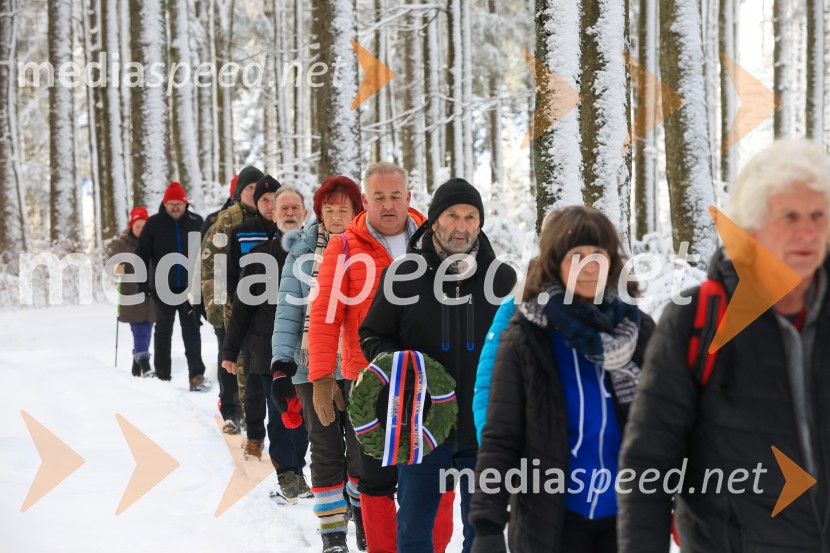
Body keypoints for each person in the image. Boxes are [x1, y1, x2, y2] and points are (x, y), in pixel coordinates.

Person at [618, 140, 830, 553]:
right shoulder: (697, 321)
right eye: (789, 217)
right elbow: (648, 464)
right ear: (753, 228)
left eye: (818, 215)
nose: (807, 232)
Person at [468, 205, 655, 553]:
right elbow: (502, 435)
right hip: (552, 521)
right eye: (576, 256)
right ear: (555, 263)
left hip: (629, 520)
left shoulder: (639, 331)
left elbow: (669, 425)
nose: (589, 267)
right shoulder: (525, 336)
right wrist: (488, 523)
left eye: (598, 255)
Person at [359, 178, 517, 553]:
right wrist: (406, 366)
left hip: (484, 429)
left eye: (470, 217)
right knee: (415, 534)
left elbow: (518, 349)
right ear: (434, 221)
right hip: (422, 431)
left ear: (479, 223)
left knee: (485, 535)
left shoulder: (503, 278)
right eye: (452, 216)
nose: (461, 226)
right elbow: (371, 335)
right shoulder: (403, 274)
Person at [308, 162, 455, 553]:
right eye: (379, 197)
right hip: (370, 383)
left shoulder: (435, 242)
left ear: (408, 197)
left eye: (395, 197)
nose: (388, 206)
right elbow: (326, 313)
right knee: (375, 481)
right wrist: (322, 377)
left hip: (430, 383)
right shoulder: (343, 246)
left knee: (433, 478)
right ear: (366, 200)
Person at [271, 176, 367, 552]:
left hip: (359, 365)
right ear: (319, 212)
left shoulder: (368, 249)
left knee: (362, 447)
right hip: (310, 366)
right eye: (329, 209)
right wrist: (281, 364)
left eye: (343, 208)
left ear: (357, 210)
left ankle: (363, 520)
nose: (335, 215)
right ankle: (333, 535)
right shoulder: (302, 251)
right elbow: (287, 311)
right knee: (324, 447)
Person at [222, 176, 311, 504]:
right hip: (265, 347)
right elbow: (241, 309)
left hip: (306, 349)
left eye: (294, 207)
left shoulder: (320, 253)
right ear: (273, 214)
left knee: (301, 416)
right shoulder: (259, 255)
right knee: (278, 413)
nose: (288, 212)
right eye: (282, 207)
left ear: (305, 213)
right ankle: (286, 472)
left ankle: (298, 468)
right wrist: (230, 350)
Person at [201, 165, 264, 432]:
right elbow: (210, 264)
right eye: (248, 188)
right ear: (239, 193)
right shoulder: (226, 220)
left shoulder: (271, 216)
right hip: (230, 304)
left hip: (262, 307)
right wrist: (213, 305)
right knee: (230, 357)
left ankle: (254, 414)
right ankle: (231, 410)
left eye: (257, 187)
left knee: (254, 361)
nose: (254, 192)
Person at [135, 181, 207, 390]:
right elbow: (142, 254)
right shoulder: (154, 224)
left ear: (185, 204)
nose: (175, 208)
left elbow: (206, 255)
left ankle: (197, 376)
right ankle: (162, 377)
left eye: (179, 203)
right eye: (171, 204)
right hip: (163, 289)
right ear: (164, 204)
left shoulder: (196, 222)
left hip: (189, 290)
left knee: (192, 332)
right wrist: (143, 284)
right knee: (163, 333)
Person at [109, 207, 156, 377]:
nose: (140, 229)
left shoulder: (154, 240)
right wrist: (117, 268)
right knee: (139, 330)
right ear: (131, 227)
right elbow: (112, 263)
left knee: (147, 329)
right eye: (137, 226)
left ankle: (136, 369)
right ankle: (145, 364)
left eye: (143, 226)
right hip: (131, 294)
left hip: (150, 293)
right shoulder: (123, 244)